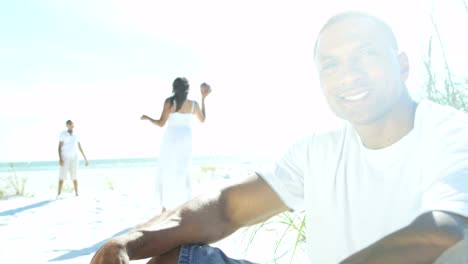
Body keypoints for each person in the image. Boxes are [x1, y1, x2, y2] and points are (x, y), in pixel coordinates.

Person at [90, 11, 468, 264]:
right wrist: (128, 241)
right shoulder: (318, 150)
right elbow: (226, 207)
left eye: (365, 55)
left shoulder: (449, 130)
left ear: (402, 65)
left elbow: (441, 232)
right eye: (330, 65)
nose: (347, 75)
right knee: (174, 260)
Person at [140, 78, 212, 212]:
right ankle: (185, 205)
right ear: (187, 89)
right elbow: (203, 120)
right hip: (186, 139)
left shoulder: (170, 102)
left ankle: (165, 208)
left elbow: (161, 123)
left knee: (167, 171)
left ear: (174, 88)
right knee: (183, 171)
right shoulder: (194, 105)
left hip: (171, 138)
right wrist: (203, 99)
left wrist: (148, 118)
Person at [57, 120, 88, 197]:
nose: (71, 125)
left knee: (75, 176)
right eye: (69, 124)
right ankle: (58, 193)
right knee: (62, 176)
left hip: (74, 158)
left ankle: (77, 193)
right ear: (67, 125)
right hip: (65, 157)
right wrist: (60, 159)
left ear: (73, 125)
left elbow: (79, 146)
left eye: (71, 124)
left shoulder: (76, 135)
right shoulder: (63, 134)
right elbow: (59, 147)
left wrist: (85, 158)